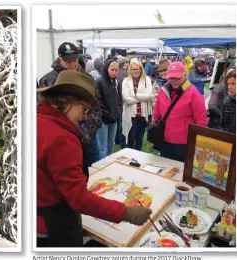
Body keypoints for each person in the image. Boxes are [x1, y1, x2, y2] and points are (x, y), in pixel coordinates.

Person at [36, 70, 152, 247]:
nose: (84, 117)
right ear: (68, 102)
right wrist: (126, 212)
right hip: (53, 224)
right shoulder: (61, 138)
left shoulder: (37, 119)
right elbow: (79, 198)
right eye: (84, 109)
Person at [38, 41, 102, 173]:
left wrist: (86, 134)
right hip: (60, 139)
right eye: (68, 62)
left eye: (75, 60)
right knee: (69, 172)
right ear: (60, 59)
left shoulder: (87, 78)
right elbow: (45, 111)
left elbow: (96, 108)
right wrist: (67, 135)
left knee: (95, 171)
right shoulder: (48, 80)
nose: (72, 65)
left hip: (87, 136)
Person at [153, 62, 208, 162]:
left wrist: (198, 141)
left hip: (183, 143)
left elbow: (201, 119)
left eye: (177, 78)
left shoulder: (193, 92)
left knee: (180, 172)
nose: (174, 81)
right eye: (171, 77)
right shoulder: (163, 91)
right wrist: (154, 134)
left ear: (184, 75)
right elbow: (156, 114)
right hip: (164, 139)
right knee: (164, 168)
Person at [122, 58, 153, 151]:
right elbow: (126, 99)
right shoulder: (126, 81)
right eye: (133, 69)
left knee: (139, 139)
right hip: (130, 115)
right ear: (130, 70)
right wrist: (140, 98)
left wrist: (136, 95)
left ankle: (138, 159)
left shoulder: (146, 80)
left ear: (141, 69)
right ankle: (129, 159)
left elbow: (149, 96)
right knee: (130, 139)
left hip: (142, 115)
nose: (136, 71)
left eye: (138, 69)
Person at [96, 60, 122, 158]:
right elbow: (98, 101)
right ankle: (101, 166)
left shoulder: (116, 82)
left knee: (111, 143)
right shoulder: (99, 82)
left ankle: (109, 163)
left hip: (114, 119)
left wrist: (118, 112)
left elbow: (119, 99)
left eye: (116, 70)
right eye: (112, 70)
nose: (114, 72)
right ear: (107, 69)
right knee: (102, 145)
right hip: (103, 119)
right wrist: (106, 114)